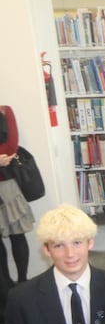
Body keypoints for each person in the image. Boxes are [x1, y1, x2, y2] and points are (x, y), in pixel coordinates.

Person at [0, 105, 33, 286]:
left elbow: (10, 147)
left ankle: (23, 282)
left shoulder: (5, 111)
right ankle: (4, 286)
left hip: (6, 185)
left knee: (17, 235)